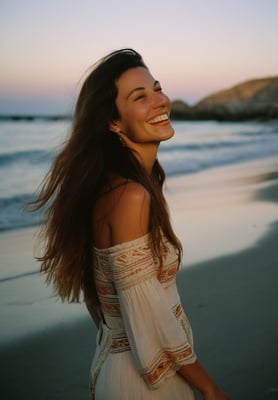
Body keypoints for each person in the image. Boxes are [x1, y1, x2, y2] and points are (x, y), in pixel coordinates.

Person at [31, 49, 229, 400]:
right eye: (140, 97)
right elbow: (150, 319)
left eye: (157, 88)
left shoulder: (125, 185)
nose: (160, 101)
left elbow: (107, 303)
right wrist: (210, 388)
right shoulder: (130, 196)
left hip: (123, 369)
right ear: (113, 122)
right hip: (143, 385)